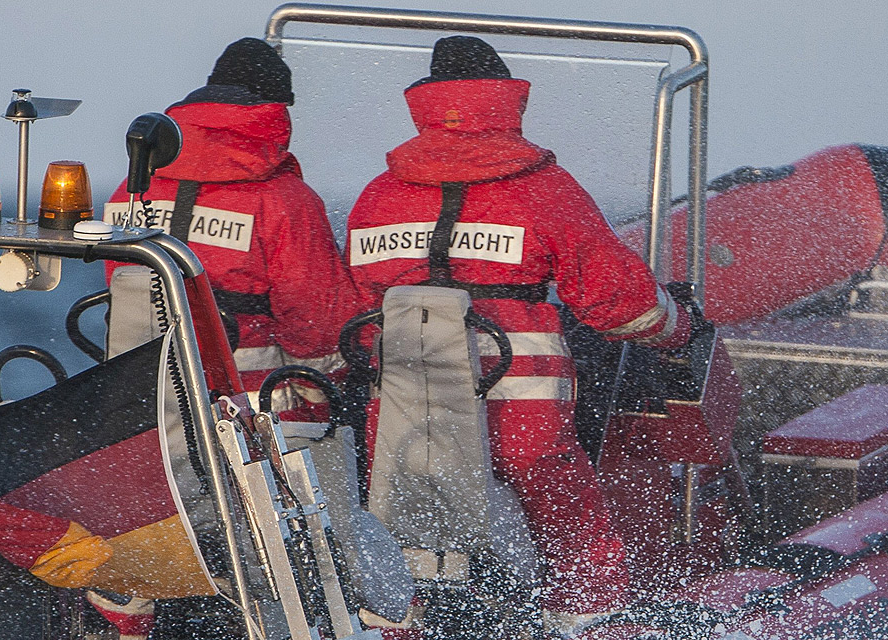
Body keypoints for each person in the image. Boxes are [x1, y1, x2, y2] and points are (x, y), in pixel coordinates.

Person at [343, 36, 690, 636]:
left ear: (424, 103)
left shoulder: (378, 196)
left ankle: (401, 620)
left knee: (407, 523)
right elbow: (614, 298)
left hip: (406, 403)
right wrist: (677, 328)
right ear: (507, 100)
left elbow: (351, 305)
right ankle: (588, 619)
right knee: (566, 516)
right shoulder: (542, 186)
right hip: (519, 399)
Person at [93, 37, 359, 639]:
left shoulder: (133, 188)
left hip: (144, 411)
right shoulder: (283, 200)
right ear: (273, 112)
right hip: (252, 412)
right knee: (332, 487)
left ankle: (126, 616)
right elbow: (318, 331)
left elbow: (124, 292)